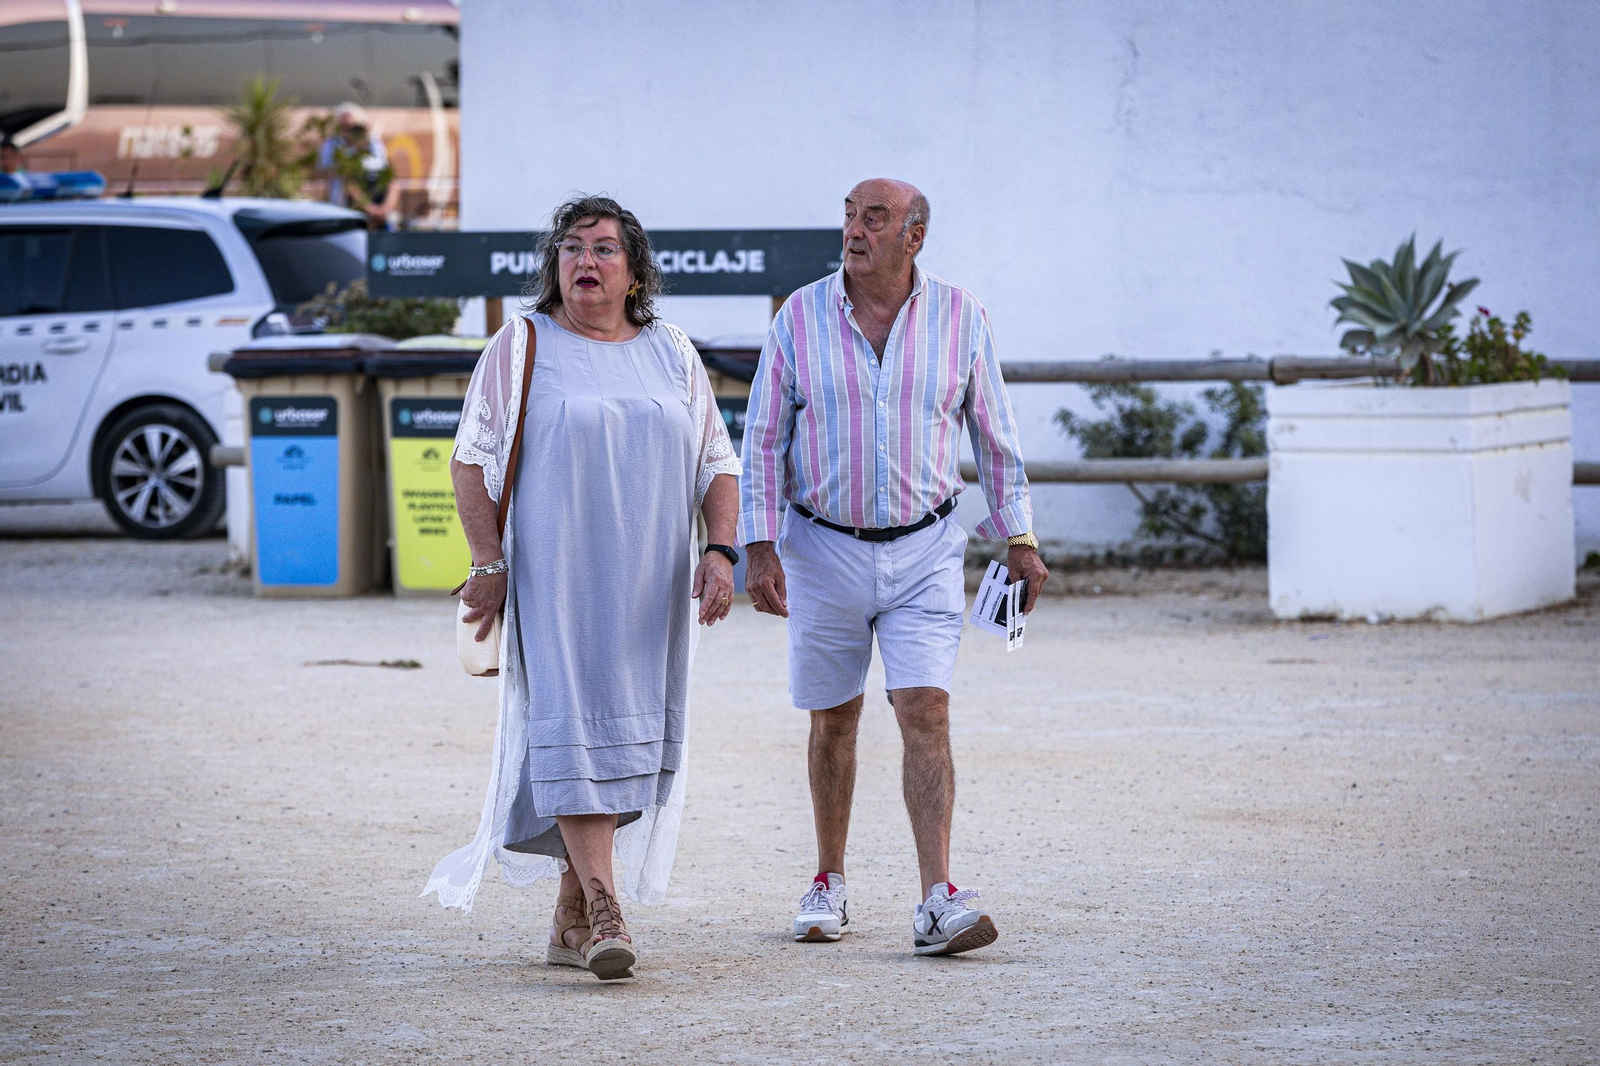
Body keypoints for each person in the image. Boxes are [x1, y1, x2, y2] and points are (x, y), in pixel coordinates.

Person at [423, 196, 743, 981]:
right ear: (554, 266)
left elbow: (716, 462)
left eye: (604, 249)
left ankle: (569, 917)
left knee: (629, 743)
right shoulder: (524, 342)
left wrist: (722, 553)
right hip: (556, 580)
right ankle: (605, 909)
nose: (585, 263)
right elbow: (473, 456)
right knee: (573, 730)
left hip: (649, 587)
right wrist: (489, 561)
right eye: (571, 249)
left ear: (635, 272)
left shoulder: (671, 351)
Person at [739, 178, 1049, 956]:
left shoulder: (961, 316)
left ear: (914, 235)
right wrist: (758, 545)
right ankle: (828, 881)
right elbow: (762, 440)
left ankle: (938, 898)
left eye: (873, 219)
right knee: (834, 717)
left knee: (925, 710)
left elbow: (995, 435)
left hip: (926, 550)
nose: (854, 230)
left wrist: (1021, 537)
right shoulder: (799, 318)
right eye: (848, 215)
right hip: (821, 548)